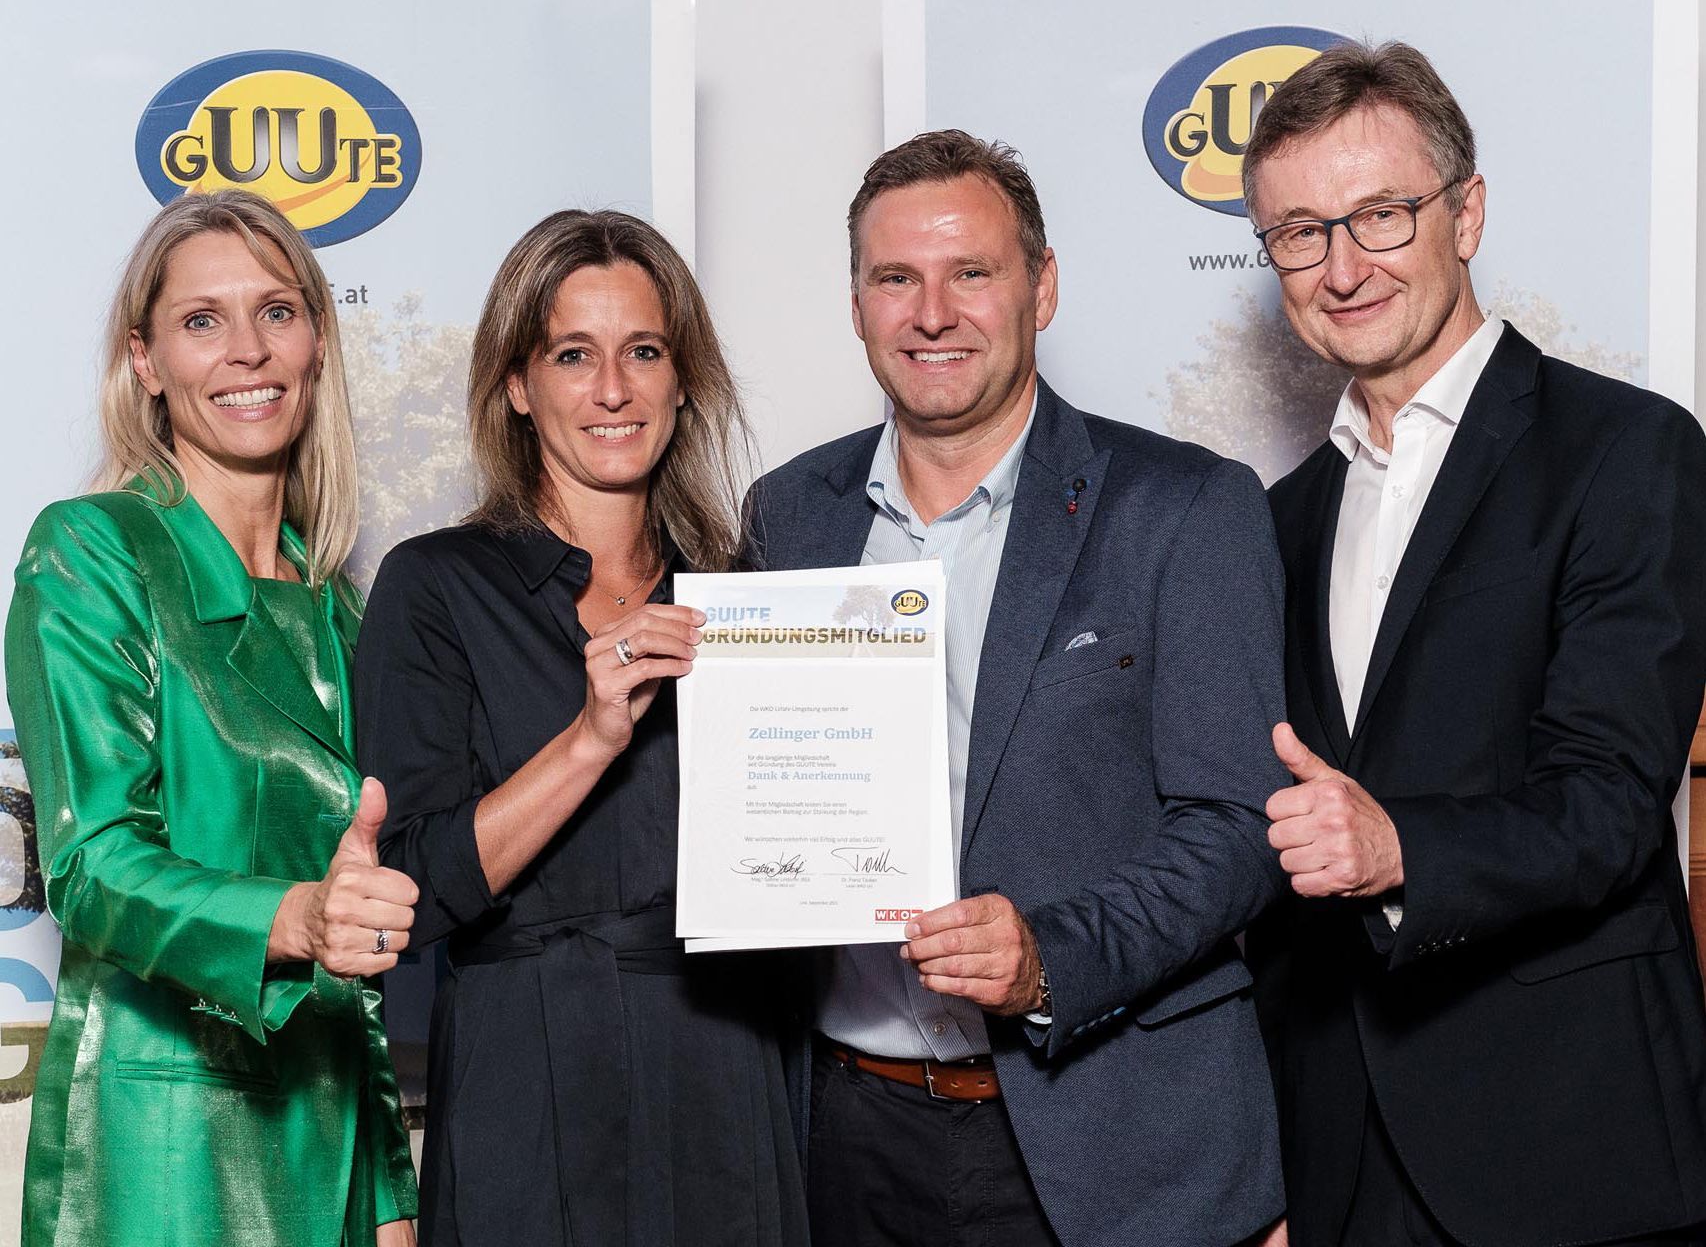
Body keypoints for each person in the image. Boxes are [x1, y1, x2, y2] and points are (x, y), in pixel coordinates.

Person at [745, 129, 1290, 1247]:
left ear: (1040, 287)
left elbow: (1238, 825)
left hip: (1108, 1136)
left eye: (971, 272)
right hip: (847, 1131)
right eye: (895, 277)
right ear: (856, 304)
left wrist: (1049, 956)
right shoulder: (787, 513)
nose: (930, 311)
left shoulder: (1184, 509)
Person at [1244, 40, 1706, 1247]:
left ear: (1464, 213)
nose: (1341, 267)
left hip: (1562, 1147)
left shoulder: (1625, 452)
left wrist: (1400, 846)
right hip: (1335, 1160)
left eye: (1379, 216)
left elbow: (1608, 799)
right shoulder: (1275, 520)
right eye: (1298, 232)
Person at [354, 209, 808, 1247]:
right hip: (524, 1075)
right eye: (573, 354)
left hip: (727, 1063)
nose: (612, 389)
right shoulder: (434, 586)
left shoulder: (745, 599)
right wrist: (591, 734)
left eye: (642, 351)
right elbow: (410, 891)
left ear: (681, 376)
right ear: (518, 385)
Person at [4, 189, 420, 1246]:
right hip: (163, 1140)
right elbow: (93, 863)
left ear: (317, 341)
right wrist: (292, 919)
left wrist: (389, 1185)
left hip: (328, 1132)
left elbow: (357, 940)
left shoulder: (342, 605)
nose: (247, 350)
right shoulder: (94, 550)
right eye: (201, 321)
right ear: (145, 361)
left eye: (276, 312)